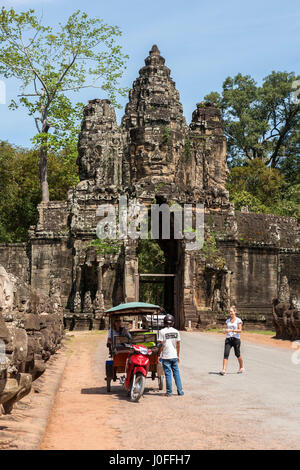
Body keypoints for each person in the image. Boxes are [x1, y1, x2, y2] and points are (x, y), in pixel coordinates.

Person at [158, 314, 184, 397]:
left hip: (166, 356)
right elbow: (178, 344)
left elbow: (161, 345)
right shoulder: (176, 331)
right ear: (172, 323)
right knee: (176, 373)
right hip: (174, 356)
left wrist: (159, 354)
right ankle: (180, 391)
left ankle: (169, 392)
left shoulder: (162, 332)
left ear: (165, 322)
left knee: (168, 374)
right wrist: (178, 355)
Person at [220, 305, 245, 375]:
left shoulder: (238, 320)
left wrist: (231, 330)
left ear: (235, 312)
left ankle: (241, 367)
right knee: (226, 354)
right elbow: (227, 329)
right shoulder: (227, 320)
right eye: (229, 312)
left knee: (237, 354)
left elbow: (240, 330)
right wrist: (225, 331)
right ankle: (224, 370)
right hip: (228, 339)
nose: (230, 313)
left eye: (231, 311)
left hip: (236, 339)